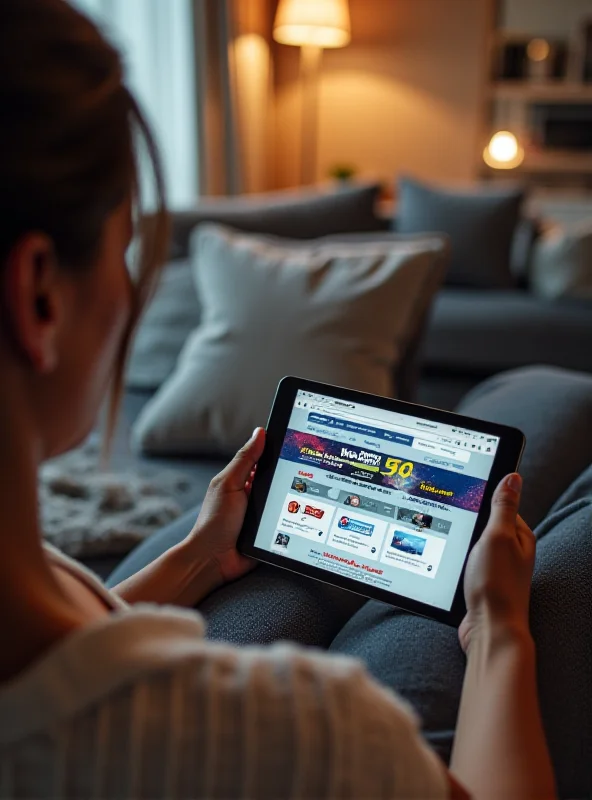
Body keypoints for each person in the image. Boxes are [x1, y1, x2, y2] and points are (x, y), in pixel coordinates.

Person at [0, 1, 562, 798]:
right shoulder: (301, 739)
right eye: (125, 248)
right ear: (38, 298)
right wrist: (503, 629)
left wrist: (199, 555)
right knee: (551, 422)